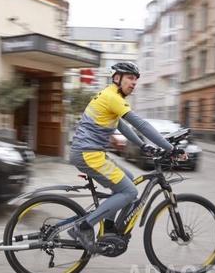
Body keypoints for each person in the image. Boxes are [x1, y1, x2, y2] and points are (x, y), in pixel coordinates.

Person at [69, 61, 182, 252]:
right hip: (88, 154)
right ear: (116, 78)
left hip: (92, 153)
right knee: (129, 192)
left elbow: (122, 126)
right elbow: (141, 125)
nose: (134, 83)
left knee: (129, 180)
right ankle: (82, 228)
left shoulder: (110, 96)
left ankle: (109, 228)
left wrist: (143, 145)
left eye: (136, 80)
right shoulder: (112, 97)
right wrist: (170, 148)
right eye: (130, 78)